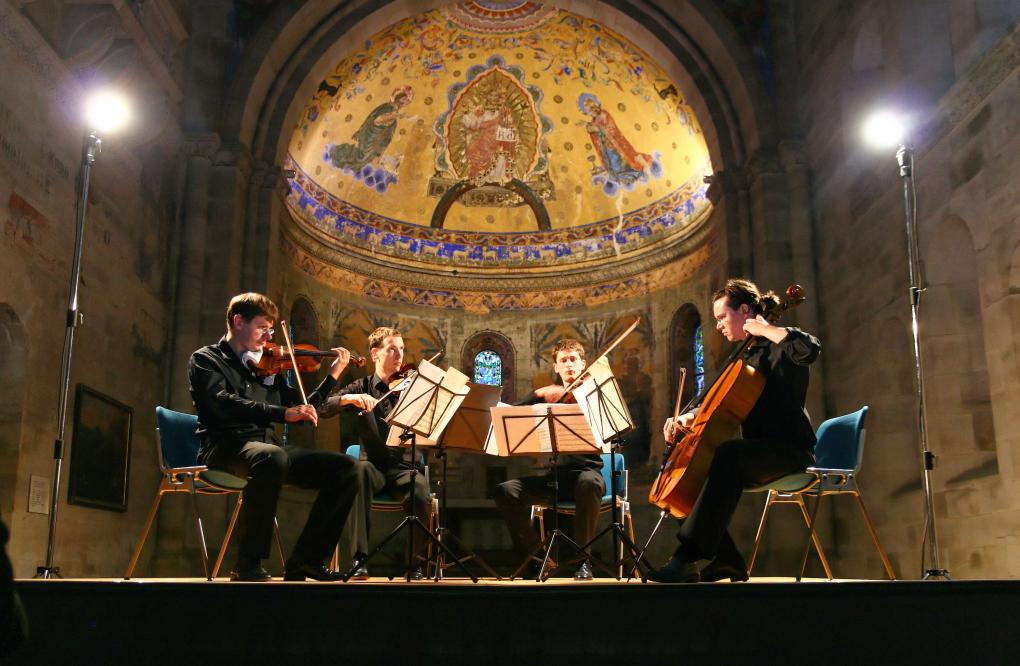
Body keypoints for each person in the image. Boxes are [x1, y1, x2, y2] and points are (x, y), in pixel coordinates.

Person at [650, 279, 821, 583]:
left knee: (728, 454)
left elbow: (810, 349)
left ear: (744, 311)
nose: (718, 326)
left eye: (721, 317)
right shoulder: (745, 359)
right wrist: (688, 417)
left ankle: (686, 558)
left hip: (790, 451)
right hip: (756, 454)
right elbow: (719, 405)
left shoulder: (781, 345)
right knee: (687, 472)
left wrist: (766, 329)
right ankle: (727, 560)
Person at [188, 293, 359, 581]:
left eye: (270, 329)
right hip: (224, 445)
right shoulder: (206, 359)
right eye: (262, 328)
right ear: (238, 321)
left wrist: (332, 376)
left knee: (348, 468)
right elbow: (221, 402)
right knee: (271, 457)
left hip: (269, 448)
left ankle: (307, 560)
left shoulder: (269, 368)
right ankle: (247, 563)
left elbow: (305, 407)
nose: (269, 337)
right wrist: (282, 413)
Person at [319, 327, 432, 580]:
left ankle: (413, 564)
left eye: (401, 349)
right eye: (392, 349)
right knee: (357, 474)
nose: (399, 355)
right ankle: (359, 559)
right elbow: (322, 407)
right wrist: (348, 399)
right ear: (374, 353)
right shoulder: (362, 386)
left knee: (420, 491)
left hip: (405, 469)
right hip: (373, 467)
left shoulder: (414, 389)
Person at [492, 339, 606, 581]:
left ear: (583, 364)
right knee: (505, 491)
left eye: (573, 359)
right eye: (563, 360)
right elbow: (510, 413)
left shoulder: (594, 394)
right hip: (554, 479)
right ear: (556, 367)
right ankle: (538, 560)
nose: (569, 364)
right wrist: (538, 394)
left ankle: (583, 562)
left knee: (589, 483)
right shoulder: (549, 396)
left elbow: (612, 429)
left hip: (586, 474)